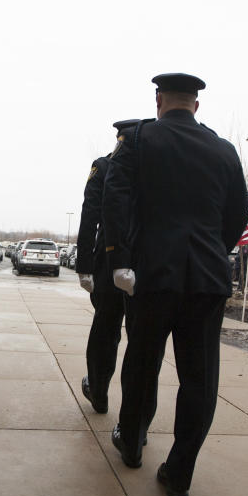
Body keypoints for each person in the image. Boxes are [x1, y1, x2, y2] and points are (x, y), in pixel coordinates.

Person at [102, 73, 248, 496]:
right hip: (206, 279)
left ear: (159, 100)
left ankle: (131, 443)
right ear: (196, 106)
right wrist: (211, 252)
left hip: (152, 274)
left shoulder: (139, 139)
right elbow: (237, 215)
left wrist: (119, 260)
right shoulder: (224, 150)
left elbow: (115, 198)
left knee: (143, 363)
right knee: (199, 378)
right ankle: (179, 472)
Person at [75, 119, 146, 413]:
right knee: (140, 335)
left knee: (106, 328)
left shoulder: (104, 166)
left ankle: (98, 388)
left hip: (109, 258)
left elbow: (89, 216)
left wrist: (84, 265)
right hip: (144, 260)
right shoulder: (150, 171)